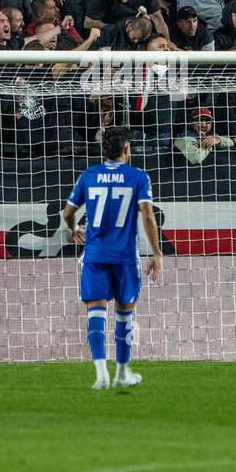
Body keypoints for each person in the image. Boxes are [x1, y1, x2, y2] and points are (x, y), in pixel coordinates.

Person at [61, 125, 163, 391]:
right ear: (126, 149)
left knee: (96, 310)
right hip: (125, 257)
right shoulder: (138, 176)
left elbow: (67, 212)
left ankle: (100, 374)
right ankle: (121, 372)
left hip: (95, 255)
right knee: (124, 313)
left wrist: (74, 230)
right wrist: (157, 252)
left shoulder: (89, 175)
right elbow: (148, 214)